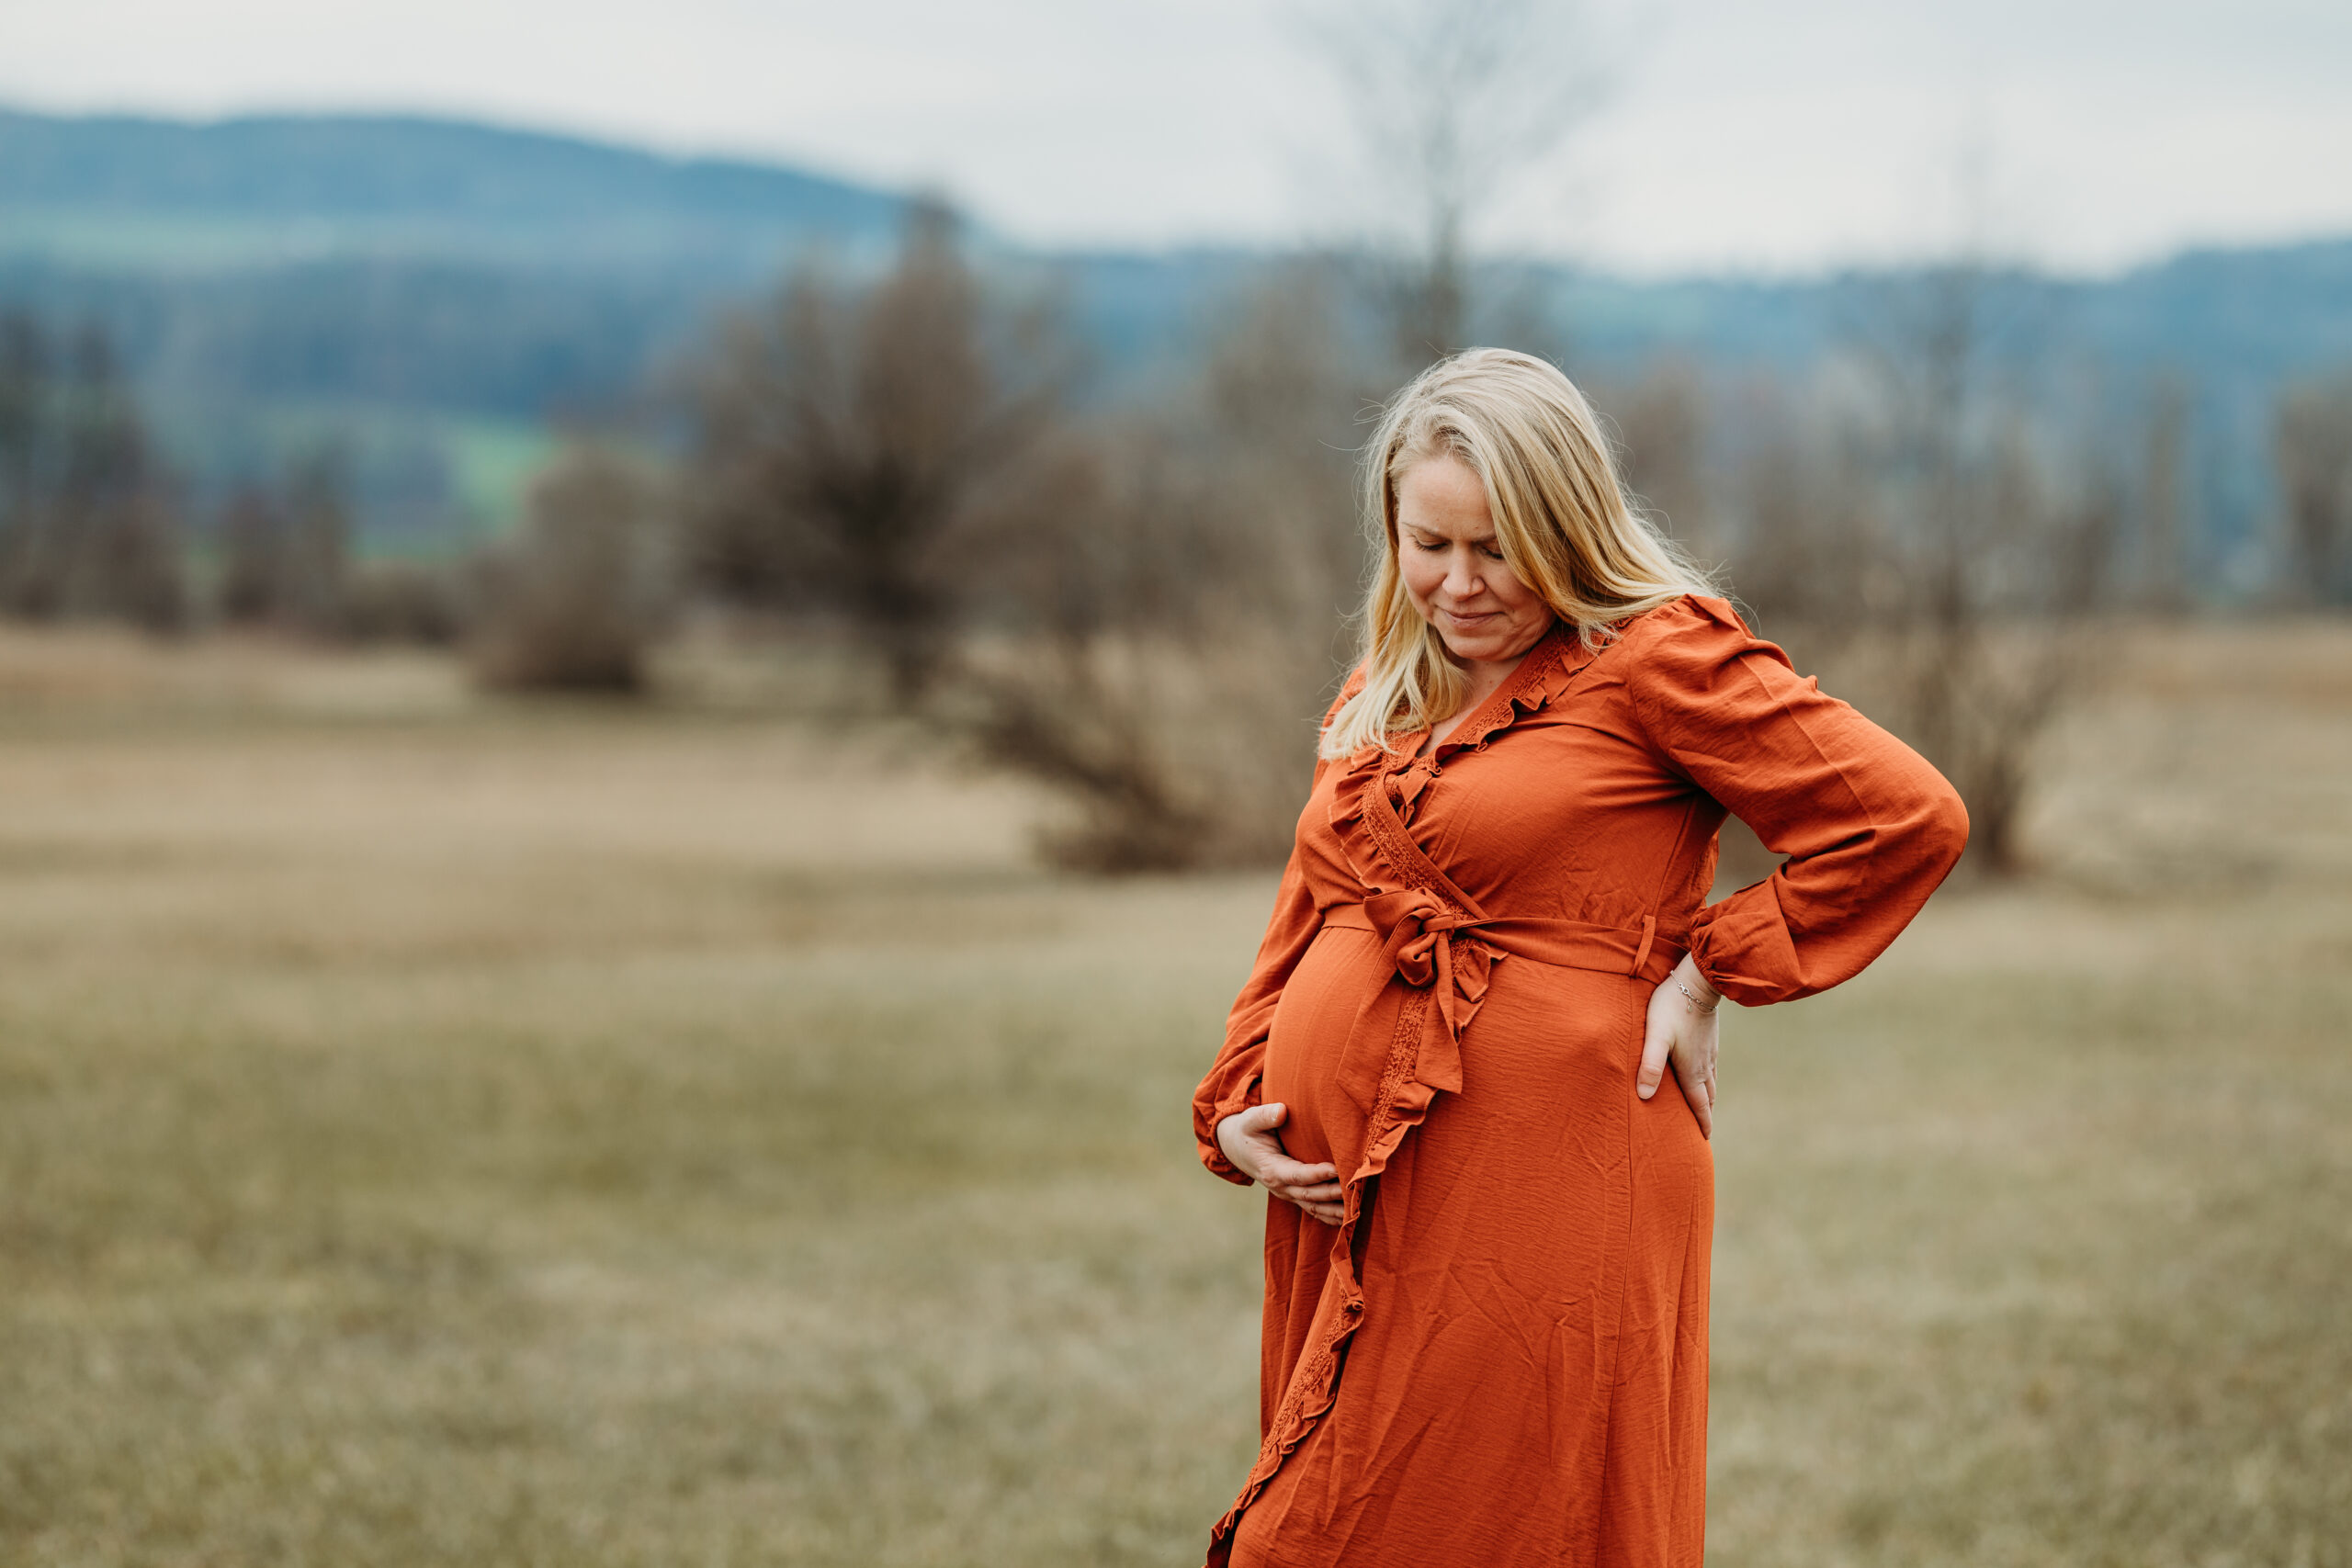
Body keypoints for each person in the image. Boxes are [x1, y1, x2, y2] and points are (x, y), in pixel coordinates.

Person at [1191, 349, 1969, 1568]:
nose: (1458, 583)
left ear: (1568, 528)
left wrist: (1711, 970)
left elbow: (1901, 818)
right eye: (1428, 544)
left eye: (1495, 548)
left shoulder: (1659, 658)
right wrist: (1243, 1099)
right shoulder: (1386, 690)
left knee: (1494, 1519)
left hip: (1547, 1177)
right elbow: (1313, 910)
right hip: (1349, 1190)